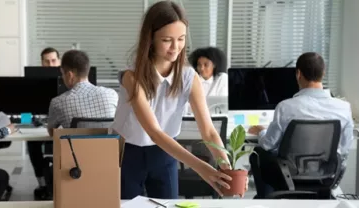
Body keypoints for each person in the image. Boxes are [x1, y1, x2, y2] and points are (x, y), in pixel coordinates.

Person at [111, 1, 246, 200]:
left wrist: (226, 165)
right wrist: (203, 169)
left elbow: (208, 130)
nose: (176, 47)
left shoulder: (189, 77)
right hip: (128, 154)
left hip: (166, 154)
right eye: (167, 40)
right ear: (151, 39)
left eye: (181, 39)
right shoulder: (131, 77)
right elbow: (154, 132)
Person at [248, 52, 354, 198]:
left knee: (257, 153)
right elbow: (344, 148)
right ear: (323, 72)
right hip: (325, 174)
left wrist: (262, 131)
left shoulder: (285, 107)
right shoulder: (343, 107)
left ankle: (267, 200)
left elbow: (268, 145)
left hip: (287, 175)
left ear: (298, 74)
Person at [47, 49, 118, 136]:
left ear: (70, 75)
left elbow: (51, 133)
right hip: (108, 149)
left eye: (63, 74)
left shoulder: (58, 102)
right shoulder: (111, 94)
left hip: (76, 150)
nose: (62, 77)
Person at [27, 47, 61, 200]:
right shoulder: (34, 81)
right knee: (32, 144)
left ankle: (61, 183)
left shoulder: (67, 78)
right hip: (39, 123)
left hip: (61, 124)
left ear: (59, 62)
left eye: (53, 60)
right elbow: (24, 110)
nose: (50, 64)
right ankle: (42, 184)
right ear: (42, 63)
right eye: (47, 61)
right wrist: (27, 119)